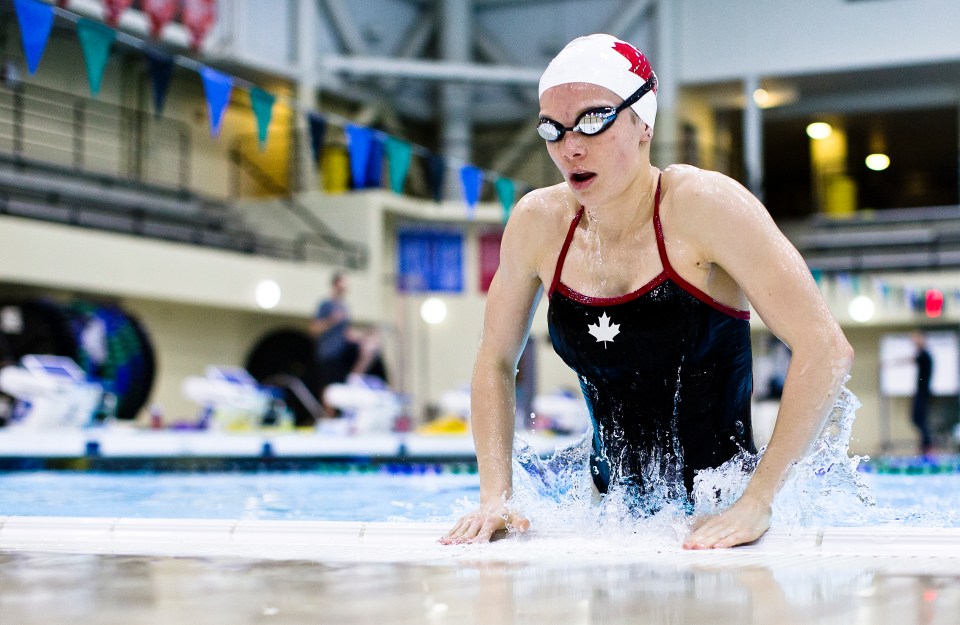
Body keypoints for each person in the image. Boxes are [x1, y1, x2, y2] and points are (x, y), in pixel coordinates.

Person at [439, 34, 853, 549]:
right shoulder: (538, 222)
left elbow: (826, 348)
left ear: (643, 122)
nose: (570, 146)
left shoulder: (704, 206)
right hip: (602, 513)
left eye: (593, 120)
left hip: (721, 513)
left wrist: (757, 502)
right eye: (553, 128)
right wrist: (496, 497)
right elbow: (494, 360)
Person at [310, 272, 381, 414]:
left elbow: (347, 333)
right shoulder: (326, 305)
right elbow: (313, 329)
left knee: (368, 347)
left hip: (342, 352)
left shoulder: (345, 307)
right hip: (328, 352)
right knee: (328, 387)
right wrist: (331, 320)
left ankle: (354, 380)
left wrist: (364, 335)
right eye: (342, 283)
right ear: (335, 285)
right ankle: (328, 416)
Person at [910, 332, 933, 455]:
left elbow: (909, 360)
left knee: (918, 418)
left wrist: (888, 364)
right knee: (918, 418)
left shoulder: (925, 355)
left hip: (923, 392)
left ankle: (927, 444)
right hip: (921, 391)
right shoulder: (923, 355)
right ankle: (925, 444)